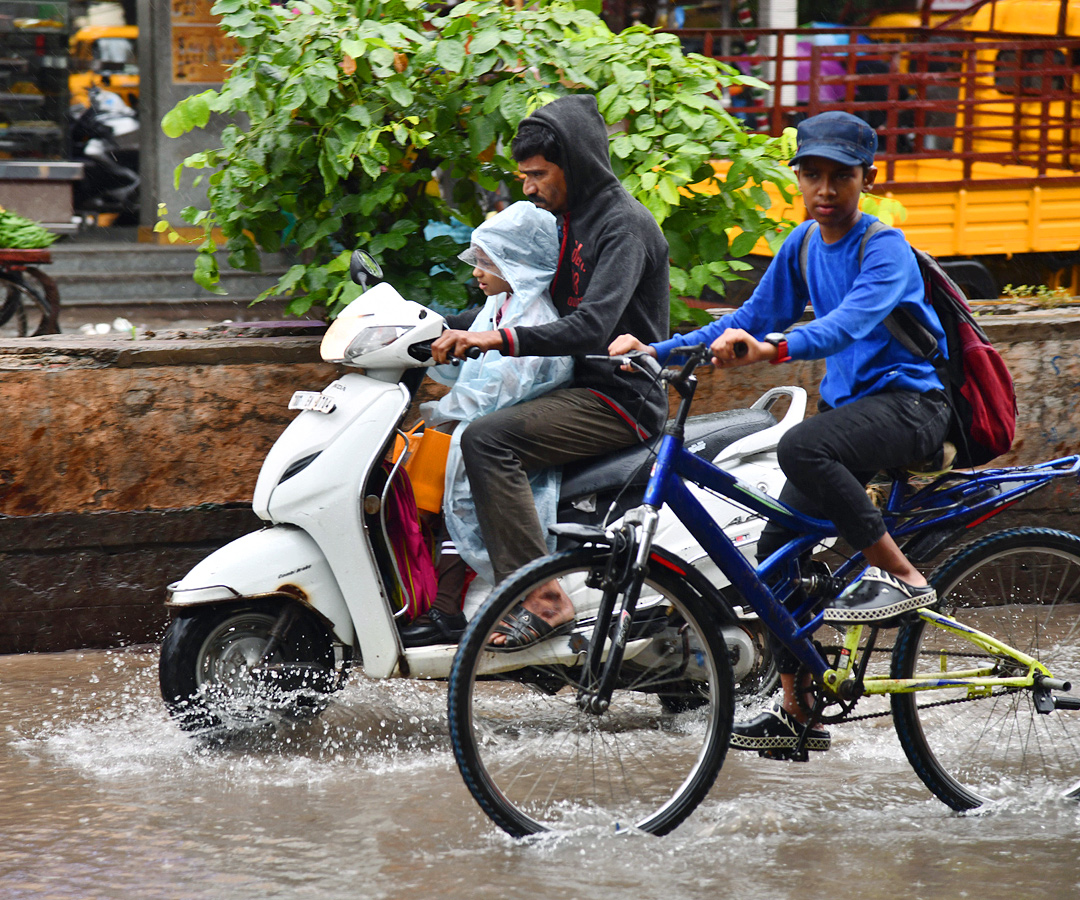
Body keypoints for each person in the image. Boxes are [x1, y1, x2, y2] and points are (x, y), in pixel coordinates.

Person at [610, 110, 951, 754]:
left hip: (912, 409)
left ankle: (903, 576)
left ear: (865, 179)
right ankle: (798, 707)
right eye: (812, 174)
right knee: (773, 554)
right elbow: (745, 316)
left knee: (800, 444)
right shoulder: (801, 245)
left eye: (840, 177)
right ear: (797, 177)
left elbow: (849, 323)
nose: (825, 189)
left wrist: (775, 348)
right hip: (853, 421)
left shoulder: (884, 247)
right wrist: (657, 349)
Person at [430, 94, 671, 651]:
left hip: (619, 396)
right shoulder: (566, 220)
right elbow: (525, 295)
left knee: (488, 440)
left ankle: (544, 601)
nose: (529, 188)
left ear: (576, 164)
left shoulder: (623, 226)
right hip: (572, 384)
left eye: (538, 175)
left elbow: (591, 327)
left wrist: (496, 339)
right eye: (524, 176)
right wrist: (434, 326)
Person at [399, 202, 573, 647]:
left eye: (487, 261)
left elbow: (503, 391)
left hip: (501, 429)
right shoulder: (499, 307)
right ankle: (429, 594)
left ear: (520, 262)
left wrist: (442, 411)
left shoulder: (534, 320)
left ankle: (447, 601)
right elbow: (473, 368)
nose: (477, 271)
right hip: (477, 421)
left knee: (456, 480)